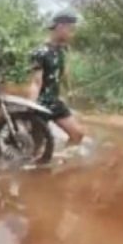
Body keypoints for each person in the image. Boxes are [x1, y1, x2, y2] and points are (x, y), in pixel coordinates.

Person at [29, 12, 84, 146]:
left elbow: (63, 73)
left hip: (55, 103)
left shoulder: (61, 50)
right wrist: (30, 107)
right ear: (60, 27)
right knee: (36, 146)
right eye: (70, 29)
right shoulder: (40, 52)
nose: (72, 34)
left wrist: (70, 91)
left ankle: (65, 160)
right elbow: (36, 82)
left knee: (77, 134)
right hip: (41, 105)